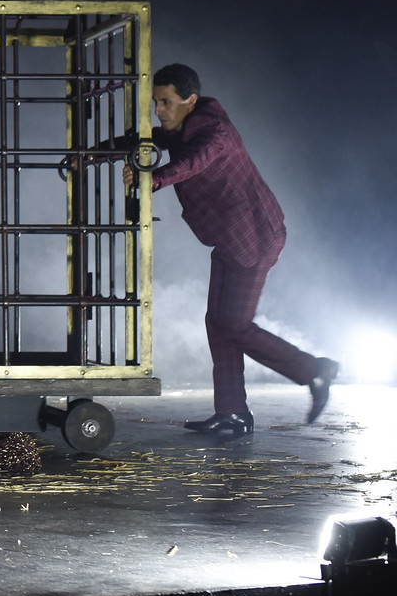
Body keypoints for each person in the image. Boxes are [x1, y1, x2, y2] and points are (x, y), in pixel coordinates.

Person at [120, 63, 338, 434]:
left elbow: (193, 162)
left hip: (255, 236)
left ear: (190, 100)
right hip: (230, 237)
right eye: (156, 101)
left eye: (166, 102)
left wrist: (152, 179)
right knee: (218, 323)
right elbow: (150, 139)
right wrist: (91, 154)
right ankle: (232, 413)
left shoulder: (213, 131)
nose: (159, 110)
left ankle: (315, 370)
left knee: (233, 324)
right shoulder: (186, 126)